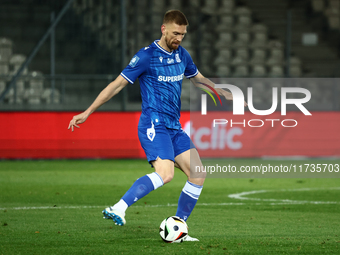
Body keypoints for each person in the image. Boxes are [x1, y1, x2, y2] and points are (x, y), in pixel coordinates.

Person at [68, 9, 235, 242]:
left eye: (183, 35)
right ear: (163, 29)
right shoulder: (146, 56)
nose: (179, 38)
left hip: (174, 127)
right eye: (176, 33)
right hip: (154, 124)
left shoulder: (182, 55)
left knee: (198, 174)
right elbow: (116, 85)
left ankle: (178, 228)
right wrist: (88, 111)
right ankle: (119, 207)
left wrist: (222, 92)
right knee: (165, 174)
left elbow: (198, 79)